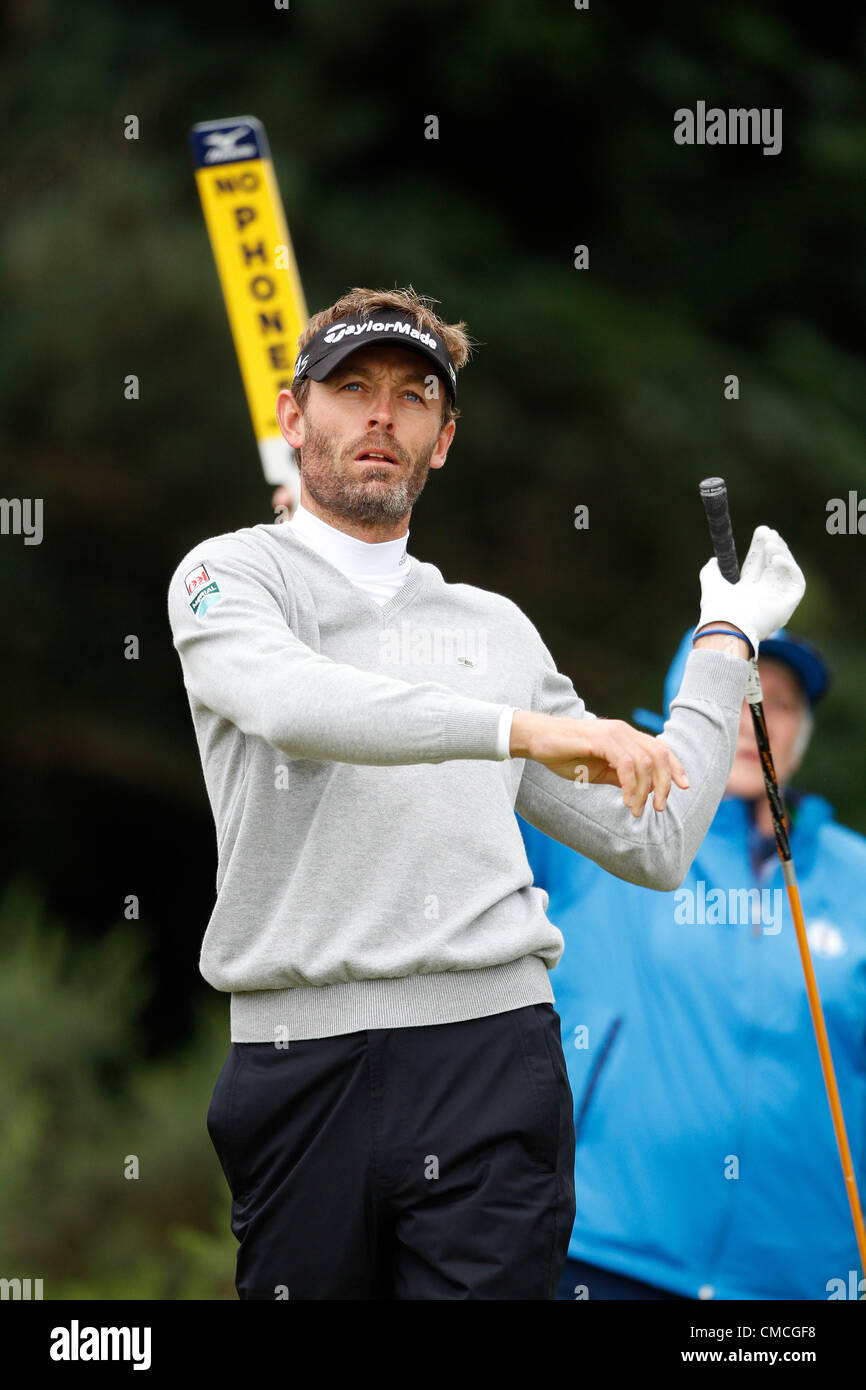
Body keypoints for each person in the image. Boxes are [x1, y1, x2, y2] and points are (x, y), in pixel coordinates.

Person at [166, 284, 805, 1300]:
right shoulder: (230, 579)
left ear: (442, 439)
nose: (380, 414)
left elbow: (655, 841)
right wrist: (519, 730)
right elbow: (299, 704)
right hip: (295, 1059)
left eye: (412, 395)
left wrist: (722, 641)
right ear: (295, 417)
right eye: (350, 387)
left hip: (489, 1059)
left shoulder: (494, 629)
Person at [519, 628, 866, 1301]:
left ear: (802, 733)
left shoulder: (857, 875)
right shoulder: (602, 816)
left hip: (800, 1279)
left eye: (779, 704)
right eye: (733, 695)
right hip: (597, 1249)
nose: (751, 723)